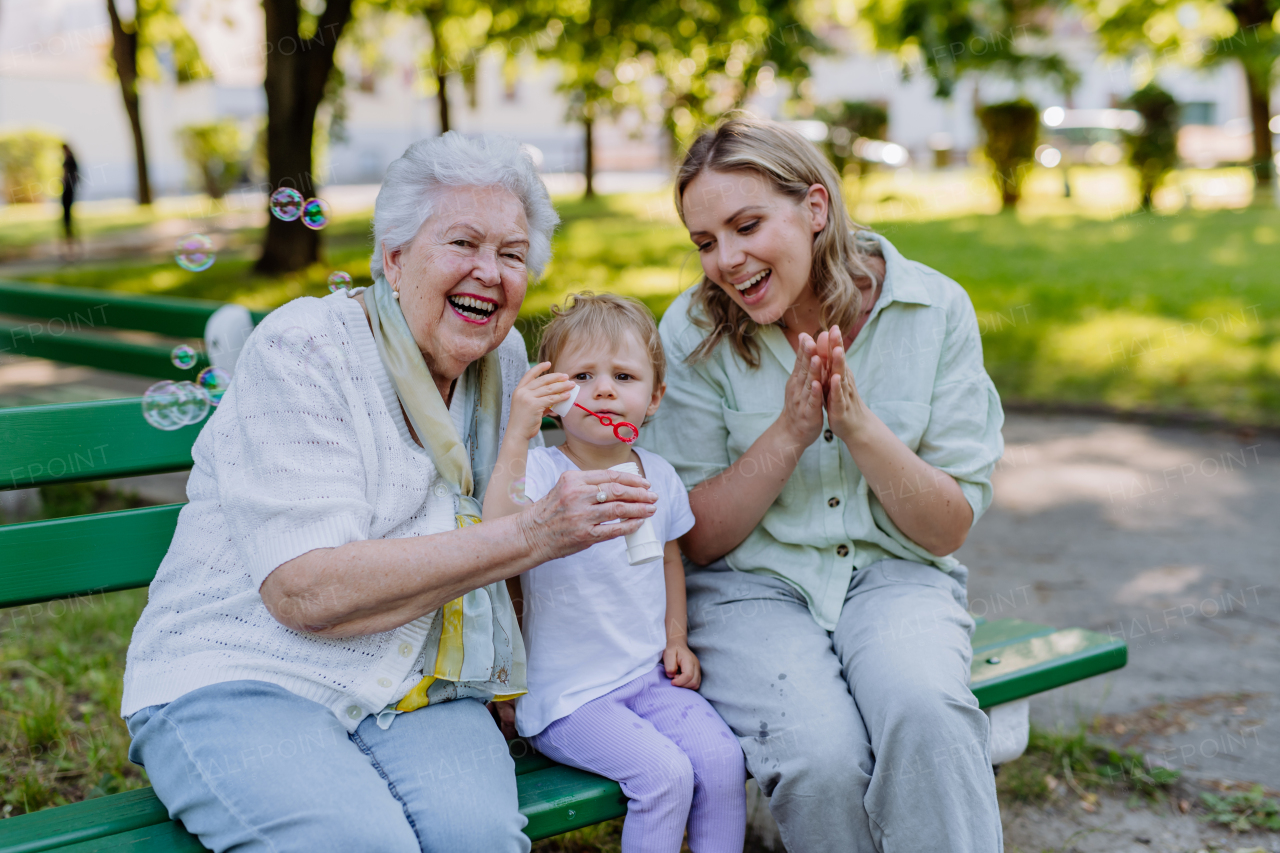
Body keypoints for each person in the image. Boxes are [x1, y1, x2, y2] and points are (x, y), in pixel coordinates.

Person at [120, 133, 660, 853]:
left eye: (511, 254)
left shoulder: (503, 360)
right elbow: (303, 592)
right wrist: (534, 533)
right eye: (462, 242)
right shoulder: (305, 347)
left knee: (481, 839)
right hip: (249, 670)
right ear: (394, 257)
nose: (489, 273)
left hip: (417, 679)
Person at [638, 117, 1007, 852]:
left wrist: (860, 428)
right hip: (750, 589)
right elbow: (699, 540)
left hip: (895, 574)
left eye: (746, 225)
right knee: (819, 756)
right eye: (705, 241)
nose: (727, 260)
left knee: (927, 712)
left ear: (815, 208)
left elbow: (946, 528)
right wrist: (788, 434)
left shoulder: (933, 309)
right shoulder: (689, 332)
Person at [485, 293, 746, 853]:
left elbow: (669, 557)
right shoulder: (539, 471)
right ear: (555, 397)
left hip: (646, 678)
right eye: (583, 375)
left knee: (724, 760)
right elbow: (493, 533)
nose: (604, 389)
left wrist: (676, 638)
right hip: (569, 698)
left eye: (623, 376)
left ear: (654, 398)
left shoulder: (660, 475)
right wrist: (517, 432)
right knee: (665, 776)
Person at [60, 143, 80, 260]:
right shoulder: (72, 160)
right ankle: (69, 242)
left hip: (68, 192)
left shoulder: (70, 160)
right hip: (69, 191)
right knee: (67, 219)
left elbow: (68, 176)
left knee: (67, 220)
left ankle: (70, 244)